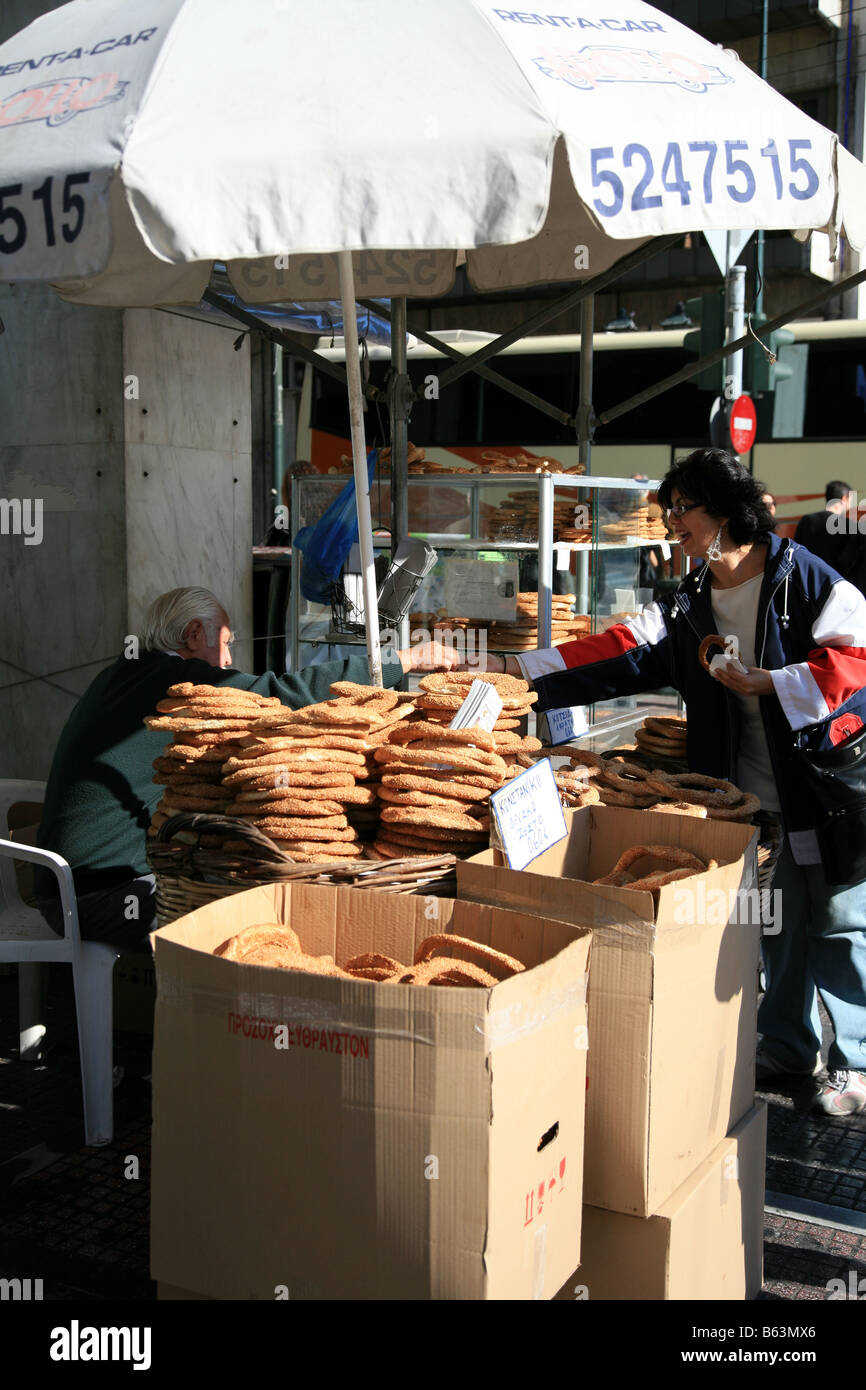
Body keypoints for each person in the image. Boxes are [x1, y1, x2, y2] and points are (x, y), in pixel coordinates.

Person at [481, 449, 866, 1117]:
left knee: (838, 923)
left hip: (825, 793)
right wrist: (515, 669)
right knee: (769, 922)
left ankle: (855, 1063)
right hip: (742, 798)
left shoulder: (811, 583)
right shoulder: (690, 599)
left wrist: (770, 682)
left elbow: (855, 664)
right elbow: (619, 653)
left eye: (681, 510)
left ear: (727, 508)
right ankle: (786, 1044)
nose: (672, 526)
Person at [35, 587, 457, 948]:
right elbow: (281, 695)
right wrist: (403, 658)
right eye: (228, 642)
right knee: (256, 923)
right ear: (195, 634)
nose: (230, 657)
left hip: (65, 887)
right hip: (100, 896)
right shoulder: (181, 684)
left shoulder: (121, 674)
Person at [794, 480, 853, 568]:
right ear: (844, 499)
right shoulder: (848, 525)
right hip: (836, 578)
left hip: (809, 575)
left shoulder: (807, 520)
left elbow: (797, 551)